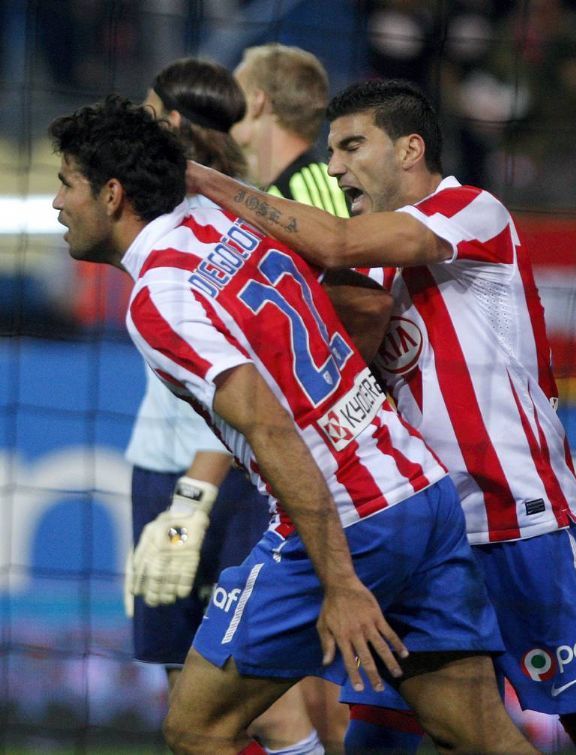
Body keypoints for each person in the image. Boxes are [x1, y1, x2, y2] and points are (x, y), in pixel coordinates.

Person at [49, 94, 537, 755]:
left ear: (111, 194)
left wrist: (339, 583)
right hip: (419, 488)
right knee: (477, 732)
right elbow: (364, 301)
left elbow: (274, 431)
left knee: (195, 724)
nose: (56, 203)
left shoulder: (158, 297)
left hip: (350, 517)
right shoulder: (219, 215)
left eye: (66, 183)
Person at [185, 78, 576, 755]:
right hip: (429, 534)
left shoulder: (472, 210)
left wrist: (203, 181)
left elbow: (341, 242)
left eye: (351, 146)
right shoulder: (367, 277)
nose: (336, 166)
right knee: (383, 737)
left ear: (411, 148)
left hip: (525, 520)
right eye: (330, 151)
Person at [125, 57, 324, 754]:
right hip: (162, 465)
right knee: (190, 695)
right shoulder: (173, 212)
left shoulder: (226, 215)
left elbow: (249, 382)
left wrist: (192, 497)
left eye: (147, 111)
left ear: (171, 122)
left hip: (224, 478)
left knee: (261, 694)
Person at [231, 42, 351, 748]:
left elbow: (356, 311)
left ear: (257, 102)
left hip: (335, 462)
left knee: (336, 667)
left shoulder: (306, 193)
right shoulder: (294, 192)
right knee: (309, 665)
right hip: (305, 460)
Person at [231, 43, 348, 217]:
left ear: (257, 102)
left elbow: (336, 244)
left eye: (234, 93)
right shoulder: (273, 193)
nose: (224, 105)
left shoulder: (310, 189)